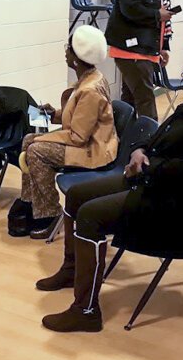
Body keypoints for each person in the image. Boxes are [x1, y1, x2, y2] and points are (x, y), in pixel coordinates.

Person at [36, 43, 183, 333]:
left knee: (90, 215)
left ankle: (86, 310)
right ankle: (72, 270)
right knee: (76, 195)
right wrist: (138, 150)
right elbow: (161, 136)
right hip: (156, 181)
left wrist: (146, 165)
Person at [18, 25, 118, 239]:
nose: (65, 51)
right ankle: (30, 203)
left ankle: (50, 214)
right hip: (87, 141)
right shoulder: (90, 77)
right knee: (29, 140)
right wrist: (53, 114)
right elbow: (79, 117)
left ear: (76, 56)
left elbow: (78, 136)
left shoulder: (90, 90)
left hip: (93, 151)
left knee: (35, 150)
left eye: (68, 47)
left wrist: (43, 138)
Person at [105, 0, 176, 120]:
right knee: (145, 100)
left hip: (145, 50)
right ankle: (150, 141)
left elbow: (161, 23)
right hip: (133, 52)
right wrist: (157, 15)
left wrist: (164, 47)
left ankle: (125, 137)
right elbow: (130, 9)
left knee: (130, 99)